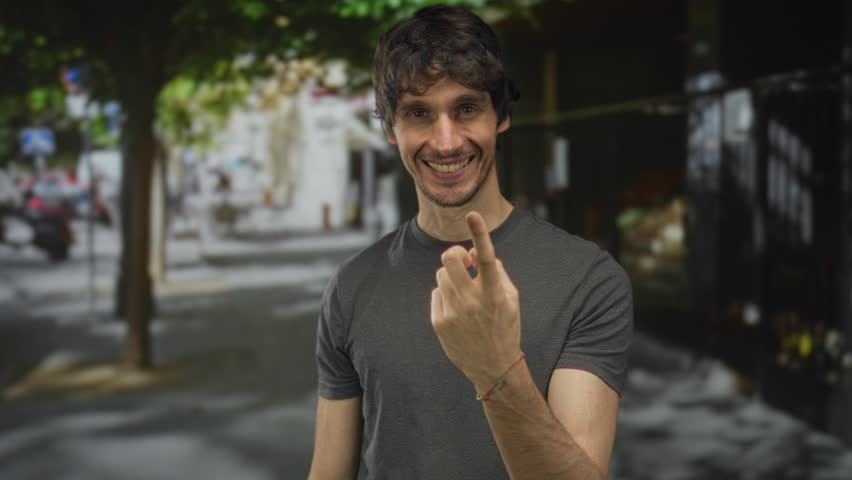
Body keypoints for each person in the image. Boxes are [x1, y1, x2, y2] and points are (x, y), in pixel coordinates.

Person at [309, 5, 632, 479]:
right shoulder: (352, 286)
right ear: (389, 129)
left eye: (466, 108)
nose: (445, 142)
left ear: (500, 115)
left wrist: (495, 367)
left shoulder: (589, 280)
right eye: (418, 113)